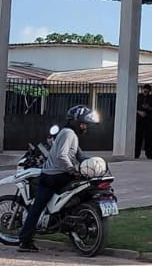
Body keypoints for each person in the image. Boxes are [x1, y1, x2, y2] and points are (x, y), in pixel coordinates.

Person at [18, 104, 98, 253]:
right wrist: (72, 170)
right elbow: (62, 156)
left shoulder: (69, 134)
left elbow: (80, 156)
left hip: (55, 175)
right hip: (54, 176)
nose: (85, 127)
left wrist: (95, 164)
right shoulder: (68, 133)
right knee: (37, 208)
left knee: (37, 207)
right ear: (75, 121)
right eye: (83, 124)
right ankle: (25, 240)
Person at [134, 84, 152, 159]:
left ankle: (149, 154)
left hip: (148, 120)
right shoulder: (138, 97)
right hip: (139, 120)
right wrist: (139, 112)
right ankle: (136, 153)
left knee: (149, 138)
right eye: (144, 90)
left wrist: (148, 107)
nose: (145, 92)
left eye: (147, 91)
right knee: (138, 137)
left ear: (149, 91)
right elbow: (133, 107)